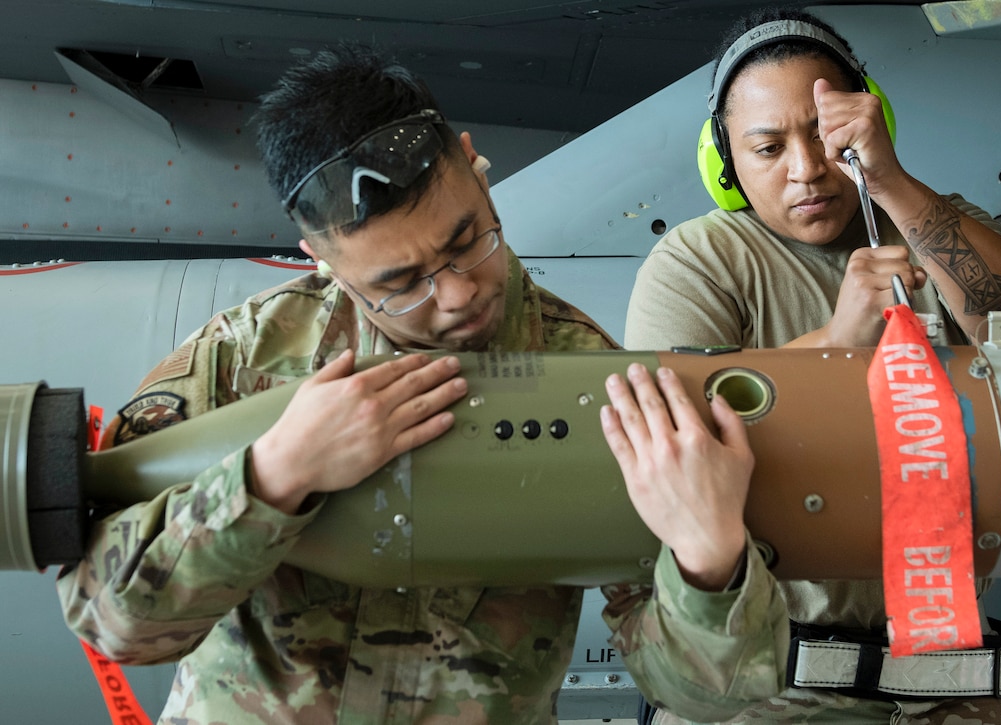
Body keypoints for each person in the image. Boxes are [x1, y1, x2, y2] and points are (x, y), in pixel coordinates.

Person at [55, 43, 779, 723]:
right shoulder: (241, 361)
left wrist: (708, 558)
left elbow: (696, 690)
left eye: (467, 240)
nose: (458, 294)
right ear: (322, 259)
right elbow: (114, 623)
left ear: (473, 164)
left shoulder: (589, 372)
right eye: (399, 283)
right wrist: (273, 475)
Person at [622, 7, 1001, 725]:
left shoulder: (931, 222)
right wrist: (838, 339)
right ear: (725, 161)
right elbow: (675, 425)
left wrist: (888, 180)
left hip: (945, 677)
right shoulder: (699, 260)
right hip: (768, 686)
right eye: (767, 148)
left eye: (828, 137)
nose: (807, 169)